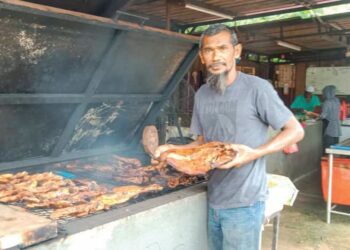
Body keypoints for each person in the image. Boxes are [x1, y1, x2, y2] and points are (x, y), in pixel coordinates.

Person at [154, 24, 304, 250]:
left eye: (222, 48)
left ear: (236, 51)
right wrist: (171, 150)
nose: (215, 56)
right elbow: (202, 142)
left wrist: (254, 153)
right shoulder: (203, 94)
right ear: (202, 57)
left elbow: (295, 131)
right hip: (214, 197)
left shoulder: (257, 88)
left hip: (245, 202)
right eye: (208, 50)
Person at [306, 85, 341, 153]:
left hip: (329, 129)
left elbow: (323, 116)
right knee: (334, 150)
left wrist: (311, 113)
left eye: (323, 93)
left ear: (326, 93)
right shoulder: (337, 101)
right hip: (337, 129)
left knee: (327, 150)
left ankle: (326, 163)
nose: (323, 94)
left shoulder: (327, 102)